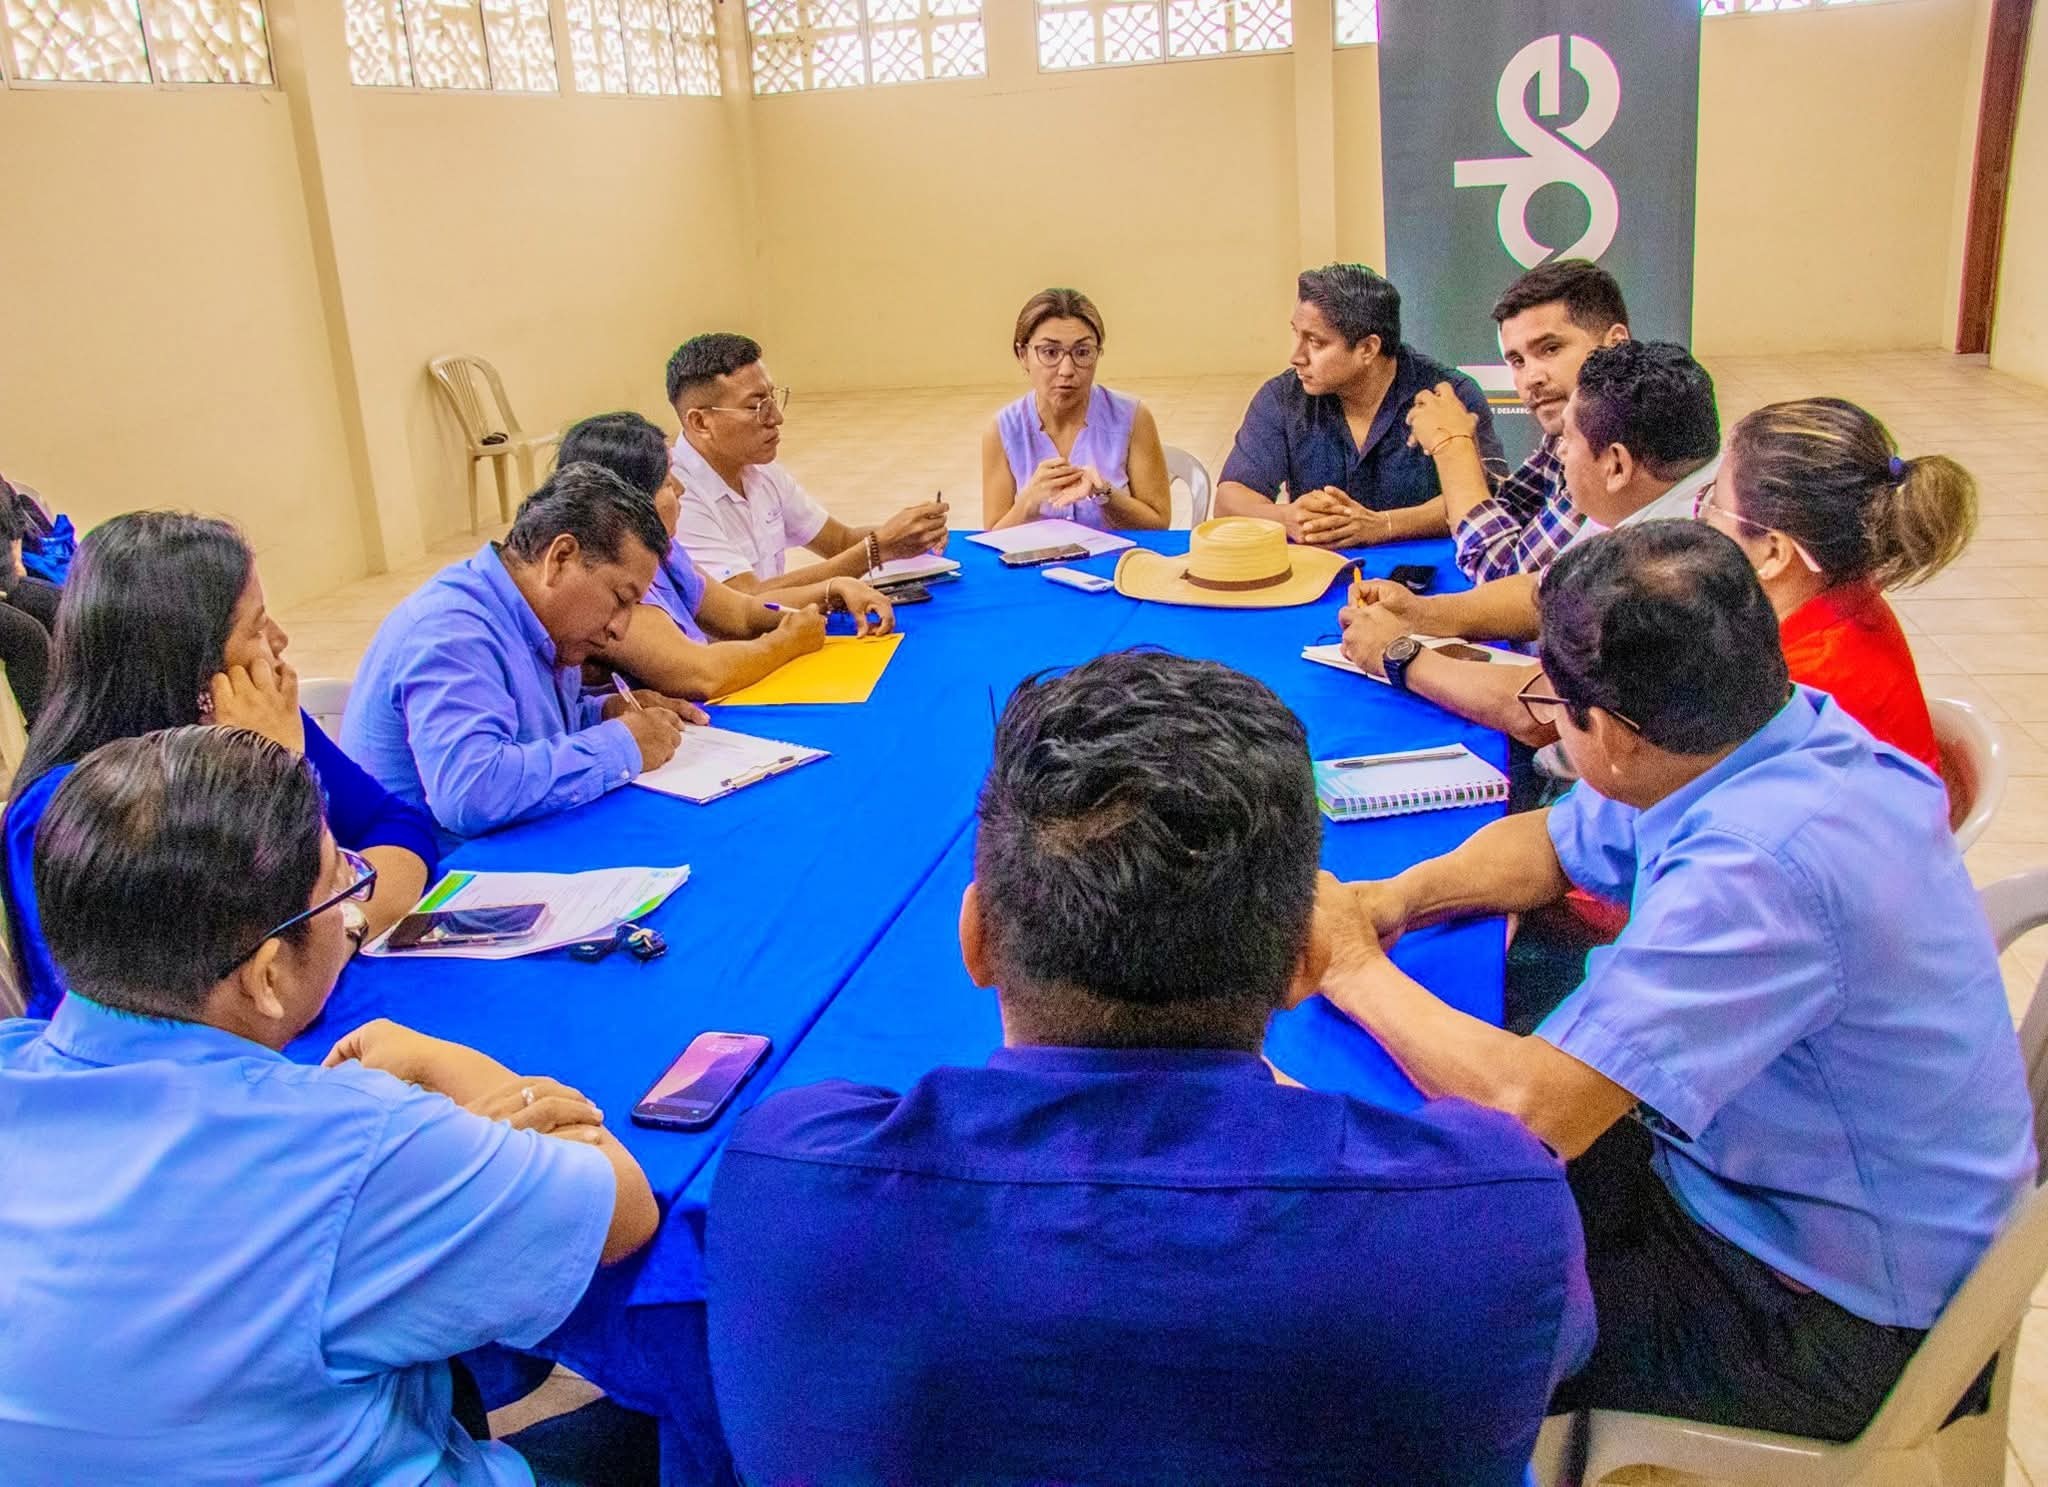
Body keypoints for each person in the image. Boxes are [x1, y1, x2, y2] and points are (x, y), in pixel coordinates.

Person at [707, 650, 1593, 1486]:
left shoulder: (787, 1175)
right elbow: (1560, 1339)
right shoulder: (1496, 1213)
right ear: (1302, 962)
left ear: (976, 941)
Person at [1314, 522, 2036, 1441]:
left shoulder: (1759, 868)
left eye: (1558, 705)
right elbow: (1556, 842)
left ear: (1613, 735)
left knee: (1409, 1317)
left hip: (1825, 1309)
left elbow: (1536, 1108)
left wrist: (1348, 963)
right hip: (1781, 1188)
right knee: (1438, 1194)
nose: (1554, 722)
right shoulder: (1762, 732)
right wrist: (1394, 899)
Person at [0, 726, 658, 1485]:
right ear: (268, 976)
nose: (352, 908)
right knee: (690, 1425)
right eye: (342, 892)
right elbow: (623, 1208)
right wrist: (451, 1071)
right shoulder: (350, 1140)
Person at [5, 512, 438, 1019]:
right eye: (256, 626)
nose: (279, 640)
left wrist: (345, 927)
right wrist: (273, 780)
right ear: (188, 657)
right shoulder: (68, 812)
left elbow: (398, 826)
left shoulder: (253, 716)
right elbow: (200, 994)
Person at [1337, 340, 1720, 730]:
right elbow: (1547, 591)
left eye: (1567, 441)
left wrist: (1398, 653)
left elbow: (1546, 710)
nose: (1560, 453)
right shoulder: (1650, 494)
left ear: (1616, 465)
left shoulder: (1666, 569)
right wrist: (1421, 614)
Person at [343, 463, 705, 842]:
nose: (620, 628)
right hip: (441, 867)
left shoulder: (545, 621)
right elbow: (472, 791)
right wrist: (620, 744)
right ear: (561, 557)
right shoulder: (451, 629)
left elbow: (530, 732)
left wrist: (603, 713)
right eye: (619, 599)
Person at [1699, 397, 1973, 776]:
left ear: (1774, 551)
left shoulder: (1801, 688)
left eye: (1713, 506)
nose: (1702, 519)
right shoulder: (1847, 595)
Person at [554, 412, 870, 701]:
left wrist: (830, 590)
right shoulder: (603, 585)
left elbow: (740, 613)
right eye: (666, 481)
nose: (680, 489)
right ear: (626, 500)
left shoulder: (663, 550)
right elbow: (703, 674)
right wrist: (787, 642)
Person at [1215, 263, 1503, 545]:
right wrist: (1284, 517)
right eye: (1296, 334)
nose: (1296, 357)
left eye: (1315, 342)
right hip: (1321, 568)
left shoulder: (1450, 397)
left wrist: (1384, 526)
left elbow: (1485, 501)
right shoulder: (1282, 398)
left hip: (1430, 568)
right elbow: (1229, 500)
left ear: (1367, 348)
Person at [1405, 259, 1631, 584]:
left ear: (1616, 345)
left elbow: (1505, 579)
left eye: (1551, 349)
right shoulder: (1567, 428)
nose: (1531, 378)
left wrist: (1452, 446)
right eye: (1517, 361)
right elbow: (1507, 509)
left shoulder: (1620, 439)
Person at [666, 333, 949, 590]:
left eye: (773, 399)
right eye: (756, 407)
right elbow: (744, 601)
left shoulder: (760, 470)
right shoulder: (676, 496)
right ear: (701, 422)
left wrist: (909, 533)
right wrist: (877, 549)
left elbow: (840, 542)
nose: (776, 418)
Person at [980, 288, 1171, 531]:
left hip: (1119, 556)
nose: (1067, 370)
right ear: (1022, 355)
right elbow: (992, 535)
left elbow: (1159, 523)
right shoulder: (1002, 430)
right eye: (1050, 353)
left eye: (1082, 352)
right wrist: (1029, 501)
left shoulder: (1133, 418)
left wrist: (1105, 495)